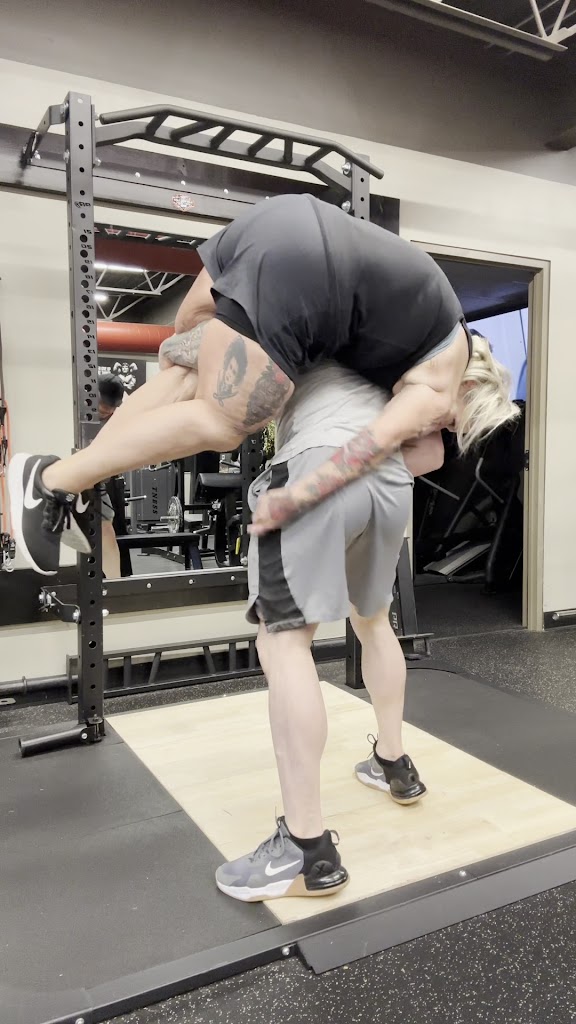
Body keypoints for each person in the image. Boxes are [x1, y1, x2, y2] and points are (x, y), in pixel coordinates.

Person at [8, 193, 518, 576]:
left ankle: (76, 480)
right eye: (456, 422)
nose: (442, 425)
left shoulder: (437, 321)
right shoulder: (440, 382)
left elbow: (424, 454)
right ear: (469, 392)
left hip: (273, 222)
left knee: (187, 373)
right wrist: (299, 497)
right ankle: (50, 481)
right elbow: (370, 445)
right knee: (225, 423)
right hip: (301, 270)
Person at [214, 360, 447, 903]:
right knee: (373, 620)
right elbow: (431, 455)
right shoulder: (395, 347)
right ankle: (393, 762)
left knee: (283, 640)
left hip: (318, 466)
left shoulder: (293, 333)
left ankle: (306, 850)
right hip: (390, 480)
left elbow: (229, 417)